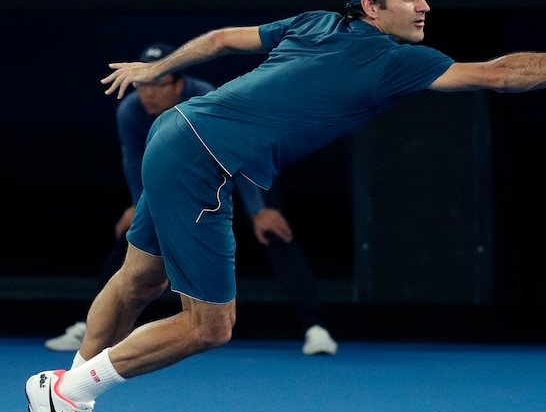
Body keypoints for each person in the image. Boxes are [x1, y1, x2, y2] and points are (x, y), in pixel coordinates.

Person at [25, 0, 546, 412]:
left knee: (140, 279)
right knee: (209, 327)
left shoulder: (317, 22)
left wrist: (155, 69)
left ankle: (68, 403)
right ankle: (67, 392)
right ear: (373, 8)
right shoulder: (392, 60)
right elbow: (501, 75)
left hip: (175, 134)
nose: (425, 5)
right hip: (202, 161)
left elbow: (219, 41)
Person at [43, 43, 337, 356]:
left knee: (273, 231)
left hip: (238, 169)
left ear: (178, 83)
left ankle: (314, 327)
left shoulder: (203, 97)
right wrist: (137, 203)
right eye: (143, 85)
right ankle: (89, 329)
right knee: (130, 242)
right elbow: (133, 158)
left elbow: (241, 159)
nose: (148, 94)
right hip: (174, 180)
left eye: (158, 84)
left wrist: (258, 211)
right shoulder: (130, 111)